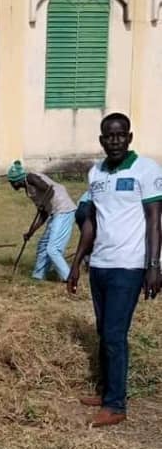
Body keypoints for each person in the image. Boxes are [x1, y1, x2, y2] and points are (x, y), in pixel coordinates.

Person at [67, 113, 162, 428]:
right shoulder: (96, 173)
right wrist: (77, 263)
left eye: (121, 135)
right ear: (101, 140)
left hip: (129, 266)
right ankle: (109, 391)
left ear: (130, 137)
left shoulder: (146, 169)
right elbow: (90, 222)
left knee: (114, 334)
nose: (115, 140)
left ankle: (116, 405)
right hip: (101, 266)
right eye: (109, 136)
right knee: (103, 332)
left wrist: (154, 265)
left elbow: (154, 221)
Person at [7, 160, 75, 281]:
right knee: (43, 246)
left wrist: (43, 202)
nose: (11, 186)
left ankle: (69, 278)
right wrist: (30, 232)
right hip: (54, 213)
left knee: (53, 249)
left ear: (16, 181)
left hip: (64, 209)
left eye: (11, 182)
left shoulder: (31, 177)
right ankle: (38, 277)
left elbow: (49, 189)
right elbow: (43, 214)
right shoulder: (29, 191)